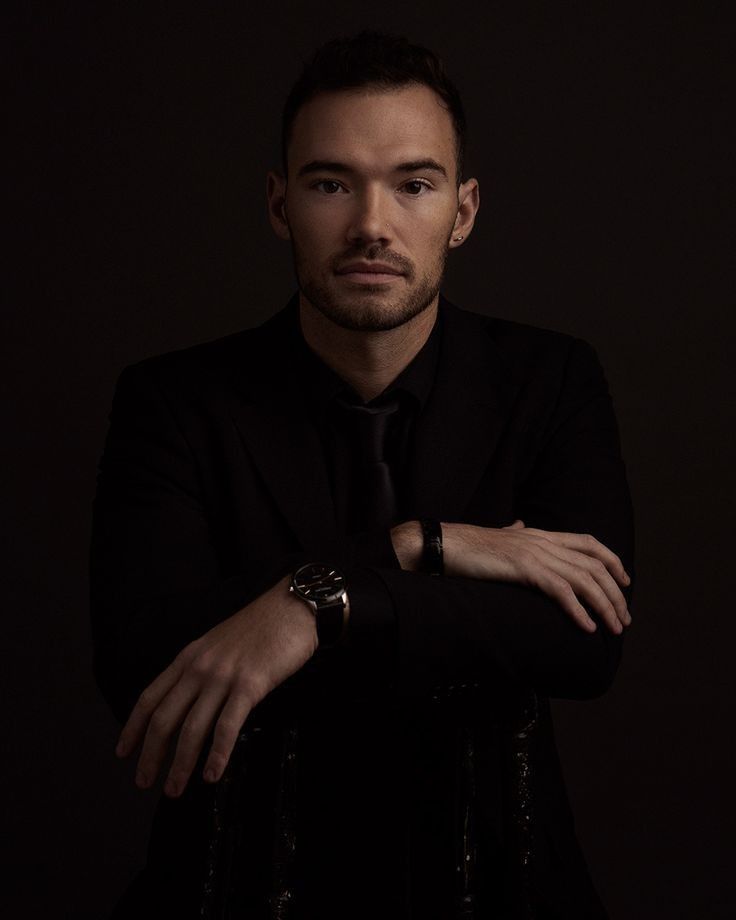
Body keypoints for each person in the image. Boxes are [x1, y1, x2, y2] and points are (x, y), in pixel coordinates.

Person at [91, 31, 634, 920]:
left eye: (413, 185)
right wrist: (427, 551)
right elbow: (149, 664)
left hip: (500, 891)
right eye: (331, 183)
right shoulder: (175, 401)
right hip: (234, 889)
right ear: (279, 204)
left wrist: (309, 606)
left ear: (462, 211)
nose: (372, 225)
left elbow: (583, 638)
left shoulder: (551, 379)